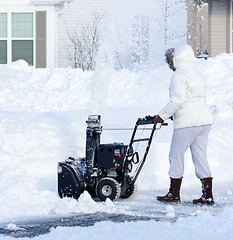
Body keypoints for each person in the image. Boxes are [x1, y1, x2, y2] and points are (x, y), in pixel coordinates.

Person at [154, 44, 214, 204]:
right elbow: (193, 99)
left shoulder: (179, 75)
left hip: (187, 123)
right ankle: (207, 195)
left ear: (176, 59)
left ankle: (174, 193)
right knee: (200, 157)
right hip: (204, 122)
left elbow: (178, 100)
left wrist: (162, 116)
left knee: (175, 155)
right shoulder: (197, 74)